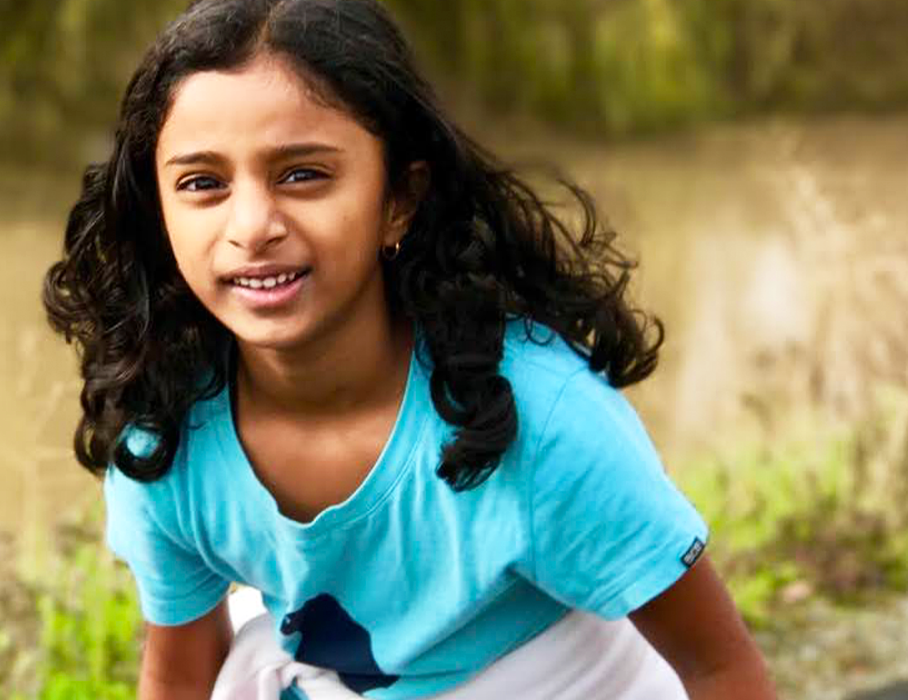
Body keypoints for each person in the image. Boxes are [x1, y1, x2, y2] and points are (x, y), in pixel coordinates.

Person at [42, 0, 778, 698]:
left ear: (399, 198)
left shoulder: (541, 421)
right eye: (203, 183)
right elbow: (178, 679)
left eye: (303, 174)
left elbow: (719, 669)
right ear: (158, 210)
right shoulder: (166, 435)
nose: (252, 225)